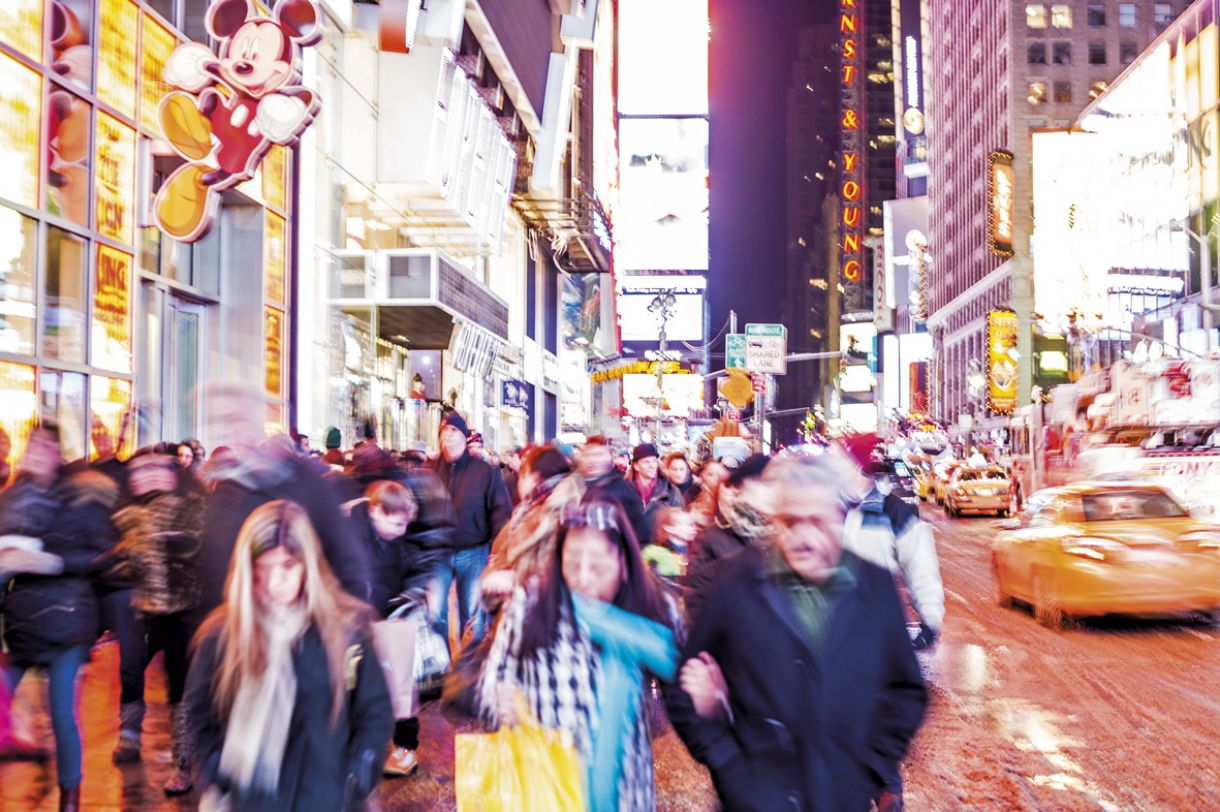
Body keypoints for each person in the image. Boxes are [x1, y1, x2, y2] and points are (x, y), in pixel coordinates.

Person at [665, 454, 927, 812]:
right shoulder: (734, 581)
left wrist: (870, 765)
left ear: (838, 518)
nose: (803, 537)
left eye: (816, 521)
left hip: (840, 799)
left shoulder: (874, 586)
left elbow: (906, 691)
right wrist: (730, 767)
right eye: (790, 521)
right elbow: (683, 687)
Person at [184, 500, 392, 811]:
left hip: (327, 799)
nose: (273, 583)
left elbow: (374, 709)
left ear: (308, 565)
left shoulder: (346, 630)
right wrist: (218, 768)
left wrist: (357, 776)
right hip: (247, 801)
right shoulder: (222, 635)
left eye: (287, 566)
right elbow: (198, 713)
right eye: (261, 569)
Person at [476, 500, 681, 812]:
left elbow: (684, 690)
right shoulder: (531, 605)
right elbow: (495, 679)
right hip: (547, 787)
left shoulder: (652, 612)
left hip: (625, 789)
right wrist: (501, 702)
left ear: (625, 564)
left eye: (598, 567)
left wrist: (705, 695)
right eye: (572, 564)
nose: (584, 578)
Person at [0, 425, 119, 812]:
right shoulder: (13, 497)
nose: (36, 451)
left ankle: (71, 798)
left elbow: (103, 556)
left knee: (62, 715)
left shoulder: (80, 496)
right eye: (30, 444)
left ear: (57, 452)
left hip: (66, 621)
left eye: (44, 445)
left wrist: (51, 562)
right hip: (21, 624)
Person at [192, 385, 369, 633]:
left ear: (258, 419)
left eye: (238, 418)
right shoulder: (228, 494)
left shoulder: (307, 484)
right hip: (246, 639)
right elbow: (215, 575)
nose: (236, 431)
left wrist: (347, 630)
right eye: (224, 422)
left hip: (305, 634)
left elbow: (346, 560)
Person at [109, 451, 206, 794]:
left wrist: (167, 542)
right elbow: (125, 558)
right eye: (140, 470)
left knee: (179, 686)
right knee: (131, 671)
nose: (146, 476)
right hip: (145, 610)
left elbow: (197, 550)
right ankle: (129, 735)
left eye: (154, 469)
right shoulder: (129, 509)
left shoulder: (192, 505)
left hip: (183, 611)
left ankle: (183, 763)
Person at [347, 480, 437, 778]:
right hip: (355, 620)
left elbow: (418, 567)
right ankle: (357, 746)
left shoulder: (406, 533)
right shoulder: (347, 529)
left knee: (402, 686)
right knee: (354, 685)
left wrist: (411, 596)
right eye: (395, 523)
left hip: (394, 615)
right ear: (375, 511)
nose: (400, 530)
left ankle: (405, 750)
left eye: (404, 524)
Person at [832, 438, 945, 649]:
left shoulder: (894, 511)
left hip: (876, 629)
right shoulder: (828, 509)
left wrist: (930, 621)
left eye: (837, 462)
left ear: (856, 467)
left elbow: (920, 566)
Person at [430, 411, 512, 642]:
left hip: (473, 551)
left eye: (454, 430)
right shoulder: (430, 470)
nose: (448, 435)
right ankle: (440, 668)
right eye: (444, 430)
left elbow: (500, 511)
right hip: (437, 552)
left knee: (473, 615)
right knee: (435, 613)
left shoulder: (484, 472)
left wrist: (497, 551)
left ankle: (471, 668)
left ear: (464, 437)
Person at [481, 446, 585, 610]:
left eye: (523, 474)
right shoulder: (531, 508)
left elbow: (565, 572)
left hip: (541, 613)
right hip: (521, 607)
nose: (519, 481)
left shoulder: (559, 512)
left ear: (534, 477)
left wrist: (514, 581)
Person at [684, 455, 772, 619]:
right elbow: (696, 596)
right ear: (744, 487)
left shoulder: (785, 533)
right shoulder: (713, 536)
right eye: (761, 481)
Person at [580, 436, 649, 544]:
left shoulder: (622, 490)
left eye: (598, 455)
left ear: (611, 458)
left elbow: (639, 533)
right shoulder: (573, 486)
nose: (592, 460)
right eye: (588, 455)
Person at [641, 506, 695, 588]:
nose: (692, 528)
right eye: (685, 525)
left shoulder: (696, 551)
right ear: (669, 528)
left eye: (691, 524)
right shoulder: (655, 554)